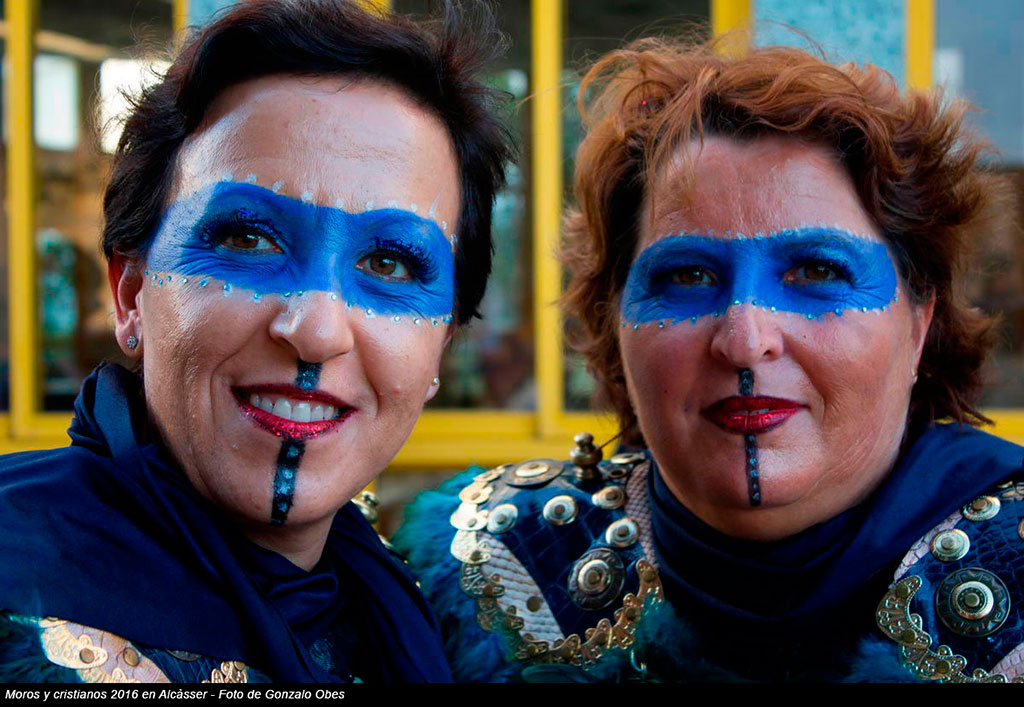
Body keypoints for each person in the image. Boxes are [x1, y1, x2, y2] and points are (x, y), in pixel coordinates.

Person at [394, 36, 1024, 683]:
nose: (746, 340)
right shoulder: (494, 575)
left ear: (919, 322)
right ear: (613, 322)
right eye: (688, 276)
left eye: (816, 271)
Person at [0, 0, 513, 683]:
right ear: (130, 293)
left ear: (439, 349)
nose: (317, 331)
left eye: (389, 264)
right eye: (247, 239)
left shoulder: (404, 613)